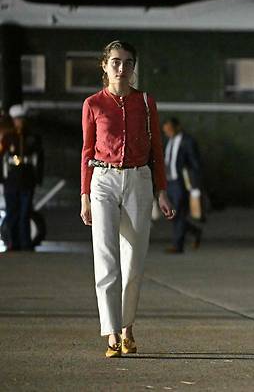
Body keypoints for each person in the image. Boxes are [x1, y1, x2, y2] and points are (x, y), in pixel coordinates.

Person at [80, 40, 175, 358]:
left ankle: (127, 329)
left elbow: (157, 151)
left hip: (138, 179)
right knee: (106, 260)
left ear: (134, 67)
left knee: (133, 261)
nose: (123, 68)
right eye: (116, 62)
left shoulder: (146, 102)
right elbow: (87, 151)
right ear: (105, 66)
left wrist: (161, 191)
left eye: (128, 63)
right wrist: (84, 196)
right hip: (103, 180)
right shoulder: (93, 103)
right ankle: (111, 334)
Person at [1, 104, 44, 251]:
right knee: (12, 213)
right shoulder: (7, 138)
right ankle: (12, 243)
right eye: (17, 119)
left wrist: (38, 178)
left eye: (21, 119)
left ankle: (26, 244)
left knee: (25, 213)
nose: (19, 122)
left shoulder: (33, 137)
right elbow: (2, 158)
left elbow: (39, 159)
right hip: (11, 181)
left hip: (27, 180)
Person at [162, 117, 203, 254]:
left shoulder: (187, 141)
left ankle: (177, 245)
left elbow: (195, 163)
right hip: (169, 182)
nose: (168, 132)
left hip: (181, 183)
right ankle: (195, 231)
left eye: (170, 129)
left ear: (177, 127)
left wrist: (195, 185)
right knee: (172, 213)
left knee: (178, 213)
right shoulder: (169, 141)